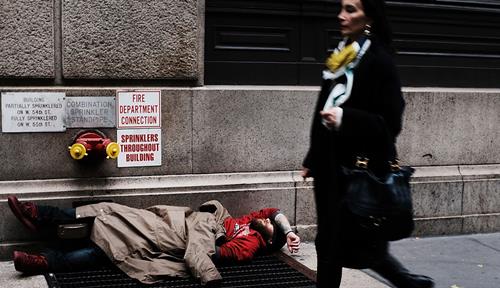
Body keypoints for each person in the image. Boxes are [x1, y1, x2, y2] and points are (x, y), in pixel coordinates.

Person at [301, 0, 434, 287]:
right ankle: (409, 283)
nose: (341, 16)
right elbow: (322, 107)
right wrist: (312, 158)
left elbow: (391, 122)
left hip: (359, 169)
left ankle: (410, 283)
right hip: (329, 169)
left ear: (369, 17)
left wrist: (346, 118)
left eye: (350, 10)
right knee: (332, 243)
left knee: (351, 243)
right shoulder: (341, 55)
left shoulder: (379, 60)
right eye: (341, 8)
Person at [7, 195, 300, 285]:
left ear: (267, 239)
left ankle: (43, 260)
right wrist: (286, 231)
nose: (265, 217)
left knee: (114, 250)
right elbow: (273, 210)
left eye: (269, 224)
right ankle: (41, 217)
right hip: (171, 222)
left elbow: (209, 252)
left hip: (172, 240)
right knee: (108, 212)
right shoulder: (250, 223)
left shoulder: (248, 246)